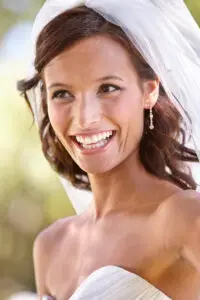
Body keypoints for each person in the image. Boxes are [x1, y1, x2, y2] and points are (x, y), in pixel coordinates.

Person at [17, 0, 200, 299]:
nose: (85, 118)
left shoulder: (184, 219)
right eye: (62, 93)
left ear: (149, 90)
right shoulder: (50, 246)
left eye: (108, 88)